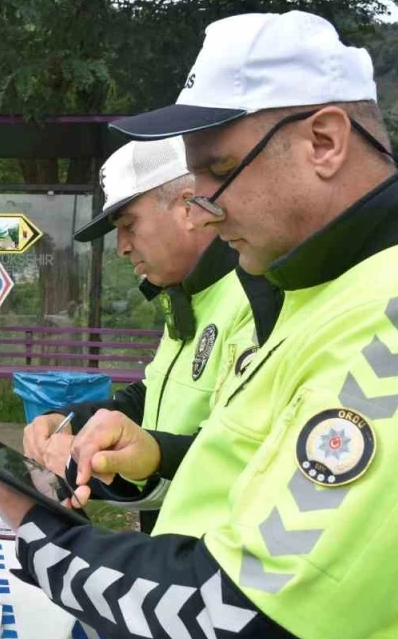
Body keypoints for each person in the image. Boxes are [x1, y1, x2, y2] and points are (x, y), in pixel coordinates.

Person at [0, 11, 398, 639]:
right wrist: (147, 462)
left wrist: (42, 539)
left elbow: (249, 614)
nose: (203, 206)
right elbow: (246, 482)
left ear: (325, 141)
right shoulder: (329, 291)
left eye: (220, 170)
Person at [22, 136, 275, 533]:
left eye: (129, 225)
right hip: (172, 548)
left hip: (220, 558)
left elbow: (249, 454)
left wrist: (152, 455)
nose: (122, 247)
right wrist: (70, 421)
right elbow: (149, 395)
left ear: (188, 207)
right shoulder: (185, 296)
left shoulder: (259, 297)